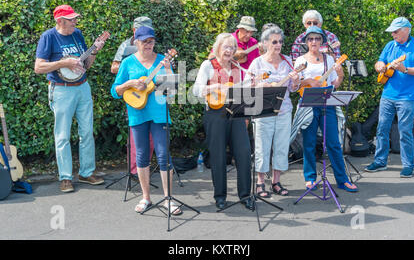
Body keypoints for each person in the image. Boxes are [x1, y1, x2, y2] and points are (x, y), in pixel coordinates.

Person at [111, 26, 182, 215]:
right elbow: (115, 90)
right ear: (136, 42)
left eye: (151, 41)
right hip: (137, 114)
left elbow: (174, 89)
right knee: (141, 156)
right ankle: (146, 198)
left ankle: (168, 199)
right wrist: (129, 84)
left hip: (160, 114)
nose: (148, 45)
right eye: (144, 41)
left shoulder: (162, 61)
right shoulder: (127, 63)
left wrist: (168, 70)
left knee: (163, 156)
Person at [34, 4, 106, 193]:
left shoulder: (77, 34)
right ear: (60, 21)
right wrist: (63, 62)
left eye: (75, 18)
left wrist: (95, 50)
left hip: (82, 87)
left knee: (87, 132)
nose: (75, 22)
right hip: (61, 90)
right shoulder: (48, 37)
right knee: (63, 136)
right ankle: (65, 177)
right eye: (71, 19)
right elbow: (38, 67)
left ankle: (86, 172)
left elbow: (86, 64)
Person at [193, 33, 254, 211]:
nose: (230, 50)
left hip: (236, 113)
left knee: (243, 153)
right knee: (218, 156)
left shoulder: (237, 66)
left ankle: (245, 195)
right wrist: (214, 87)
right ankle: (220, 196)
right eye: (226, 47)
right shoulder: (208, 65)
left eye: (232, 47)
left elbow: (243, 91)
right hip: (215, 114)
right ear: (218, 47)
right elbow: (196, 90)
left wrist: (252, 84)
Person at [294, 26, 358, 192]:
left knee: (333, 143)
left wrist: (341, 74)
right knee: (308, 143)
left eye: (317, 38)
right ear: (306, 42)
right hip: (308, 104)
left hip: (326, 103)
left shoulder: (329, 60)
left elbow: (335, 84)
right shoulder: (300, 60)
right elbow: (294, 86)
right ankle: (310, 178)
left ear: (322, 41)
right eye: (310, 39)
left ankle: (342, 179)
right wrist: (307, 81)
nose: (313, 42)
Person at [365, 17, 414, 178]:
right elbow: (380, 62)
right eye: (392, 31)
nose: (392, 34)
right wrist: (379, 66)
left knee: (405, 131)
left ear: (406, 30)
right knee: (381, 129)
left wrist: (404, 69)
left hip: (407, 97)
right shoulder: (389, 45)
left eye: (395, 31)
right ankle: (380, 161)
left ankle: (408, 166)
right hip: (388, 95)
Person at [246, 26, 300, 198]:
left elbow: (293, 89)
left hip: (284, 111)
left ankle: (276, 181)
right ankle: (260, 182)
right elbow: (248, 86)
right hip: (263, 111)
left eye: (280, 41)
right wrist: (261, 86)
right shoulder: (257, 63)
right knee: (262, 147)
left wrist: (296, 81)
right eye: (274, 42)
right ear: (265, 43)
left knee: (281, 147)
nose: (278, 45)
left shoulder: (288, 62)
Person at [111, 16, 154, 175]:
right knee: (137, 137)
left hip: (150, 94)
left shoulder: (151, 43)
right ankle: (135, 171)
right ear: (134, 30)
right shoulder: (125, 46)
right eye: (141, 29)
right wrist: (130, 66)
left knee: (150, 137)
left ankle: (144, 168)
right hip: (133, 93)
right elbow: (114, 67)